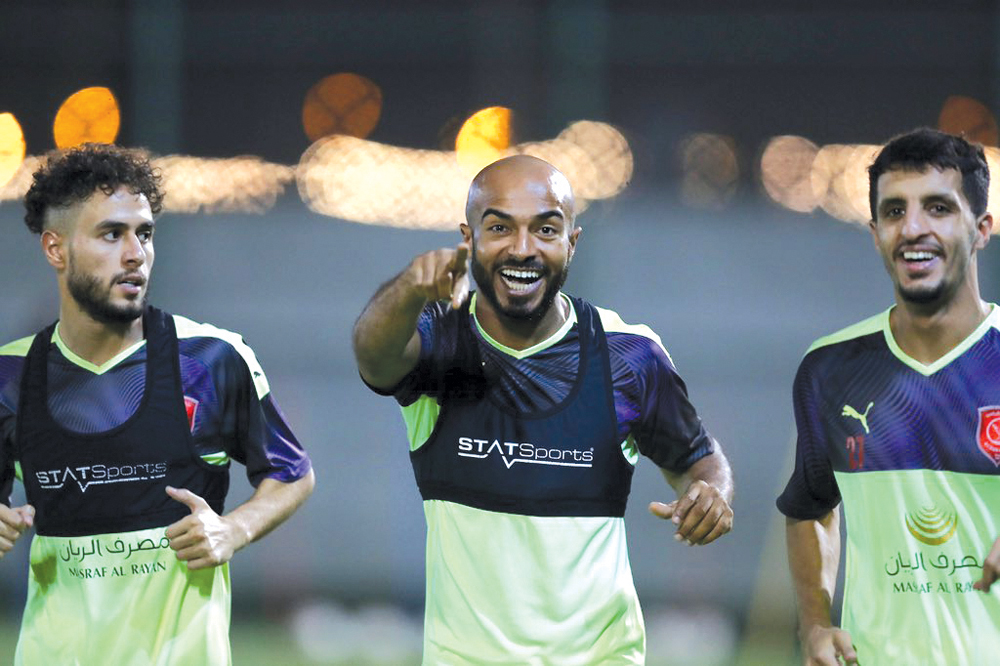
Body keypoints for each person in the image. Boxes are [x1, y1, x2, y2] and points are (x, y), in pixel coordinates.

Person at [353, 154, 734, 664]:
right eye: (500, 227)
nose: (523, 249)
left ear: (571, 243)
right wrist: (408, 289)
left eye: (546, 229)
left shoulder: (628, 355)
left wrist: (712, 492)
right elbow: (373, 358)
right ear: (469, 239)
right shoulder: (438, 342)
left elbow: (699, 460)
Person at [0, 143, 315, 665]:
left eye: (144, 234)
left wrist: (233, 529)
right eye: (111, 234)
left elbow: (293, 472)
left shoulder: (211, 359)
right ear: (55, 249)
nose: (135, 254)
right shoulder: (10, 377)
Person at [778, 127, 1000, 665]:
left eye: (939, 208)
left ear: (981, 229)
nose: (914, 228)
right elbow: (810, 510)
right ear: (875, 231)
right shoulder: (829, 369)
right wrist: (814, 625)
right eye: (895, 212)